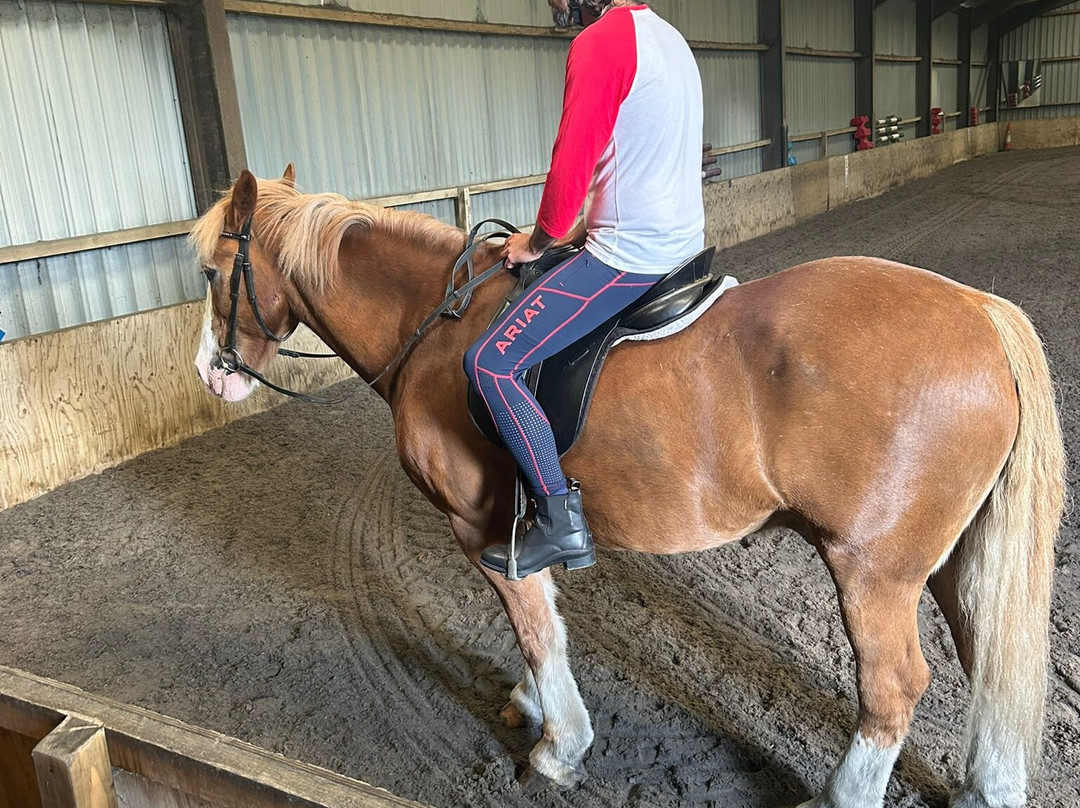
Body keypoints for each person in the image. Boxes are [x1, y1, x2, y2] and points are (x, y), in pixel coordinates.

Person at [464, 0, 705, 579]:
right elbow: (636, 163)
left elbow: (572, 166)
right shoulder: (669, 38)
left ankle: (557, 519)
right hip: (682, 241)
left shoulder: (602, 42)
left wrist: (541, 241)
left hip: (630, 255)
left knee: (490, 362)